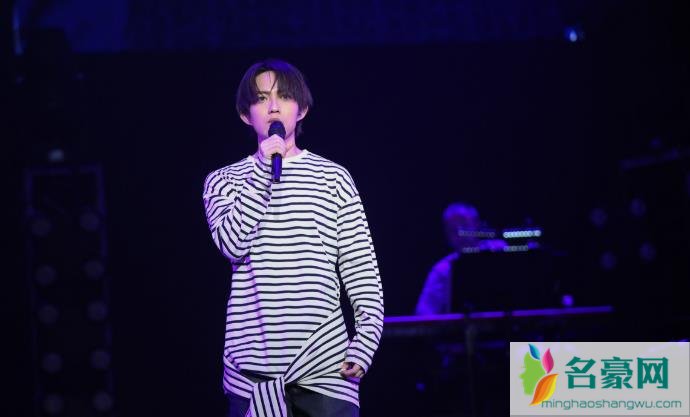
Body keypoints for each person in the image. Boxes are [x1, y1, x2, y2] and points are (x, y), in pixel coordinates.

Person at [203, 59, 384, 417]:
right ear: (245, 114)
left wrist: (365, 342)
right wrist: (261, 174)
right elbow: (232, 244)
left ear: (301, 109)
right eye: (261, 98)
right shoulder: (223, 181)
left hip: (327, 370)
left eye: (284, 96)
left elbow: (361, 268)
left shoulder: (333, 178)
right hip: (253, 376)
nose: (273, 106)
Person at [415, 202, 505, 315]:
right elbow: (424, 312)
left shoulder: (499, 250)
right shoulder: (442, 269)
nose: (459, 233)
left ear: (477, 224)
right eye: (452, 229)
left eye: (463, 224)